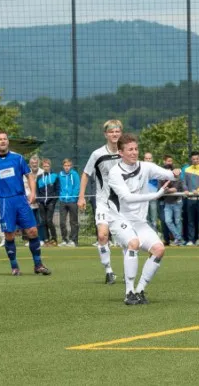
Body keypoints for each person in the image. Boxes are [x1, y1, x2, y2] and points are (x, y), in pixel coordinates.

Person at [107, 134, 178, 305]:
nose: (134, 152)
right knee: (133, 243)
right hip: (119, 219)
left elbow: (169, 174)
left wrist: (174, 173)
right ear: (121, 153)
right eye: (130, 149)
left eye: (136, 149)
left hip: (138, 221)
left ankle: (140, 290)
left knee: (159, 249)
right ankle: (129, 292)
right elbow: (127, 198)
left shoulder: (145, 167)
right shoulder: (115, 172)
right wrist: (156, 195)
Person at [0, 130, 51, 276]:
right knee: (9, 235)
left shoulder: (18, 158)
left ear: (8, 141)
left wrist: (33, 192)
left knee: (32, 231)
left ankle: (38, 265)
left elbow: (29, 176)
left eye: (5, 139)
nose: (2, 141)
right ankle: (14, 267)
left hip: (20, 199)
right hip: (4, 202)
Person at [78, 119, 122, 284]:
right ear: (105, 134)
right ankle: (109, 271)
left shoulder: (126, 152)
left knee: (126, 240)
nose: (114, 134)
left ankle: (129, 271)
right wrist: (81, 196)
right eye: (111, 131)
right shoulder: (97, 154)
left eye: (117, 131)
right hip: (103, 202)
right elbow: (85, 174)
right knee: (102, 236)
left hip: (122, 203)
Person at [184, 151, 199, 246]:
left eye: (197, 159)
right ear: (191, 159)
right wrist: (186, 189)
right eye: (193, 159)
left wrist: (198, 190)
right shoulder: (187, 169)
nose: (195, 160)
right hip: (190, 199)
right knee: (190, 220)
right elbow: (184, 182)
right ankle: (191, 240)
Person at [36, 158, 60, 246]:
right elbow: (37, 190)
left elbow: (57, 190)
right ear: (42, 167)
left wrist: (53, 201)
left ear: (50, 166)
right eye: (44, 166)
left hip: (51, 202)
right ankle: (46, 239)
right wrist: (39, 201)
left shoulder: (55, 176)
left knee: (49, 220)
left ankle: (54, 239)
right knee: (43, 221)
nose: (46, 168)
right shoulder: (39, 177)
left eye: (47, 166)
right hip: (41, 203)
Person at [58, 158, 80, 247]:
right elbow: (59, 186)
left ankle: (73, 241)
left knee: (73, 221)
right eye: (65, 165)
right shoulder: (60, 175)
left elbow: (77, 186)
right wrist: (61, 196)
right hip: (63, 201)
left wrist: (73, 197)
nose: (67, 167)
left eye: (68, 165)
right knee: (62, 222)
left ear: (71, 166)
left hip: (72, 201)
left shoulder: (74, 174)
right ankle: (64, 240)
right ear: (63, 166)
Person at [161, 163, 184, 245]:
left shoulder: (177, 178)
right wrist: (165, 189)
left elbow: (174, 189)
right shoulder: (161, 179)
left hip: (177, 202)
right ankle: (178, 238)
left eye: (169, 171)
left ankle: (178, 240)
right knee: (168, 221)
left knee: (178, 221)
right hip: (167, 203)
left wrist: (166, 189)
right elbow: (159, 189)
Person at [143, 152, 160, 230]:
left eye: (149, 158)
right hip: (143, 197)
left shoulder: (156, 169)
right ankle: (148, 233)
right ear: (144, 159)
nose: (148, 160)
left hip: (153, 196)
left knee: (154, 216)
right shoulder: (140, 168)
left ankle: (155, 232)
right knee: (145, 217)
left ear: (152, 159)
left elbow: (159, 181)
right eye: (146, 158)